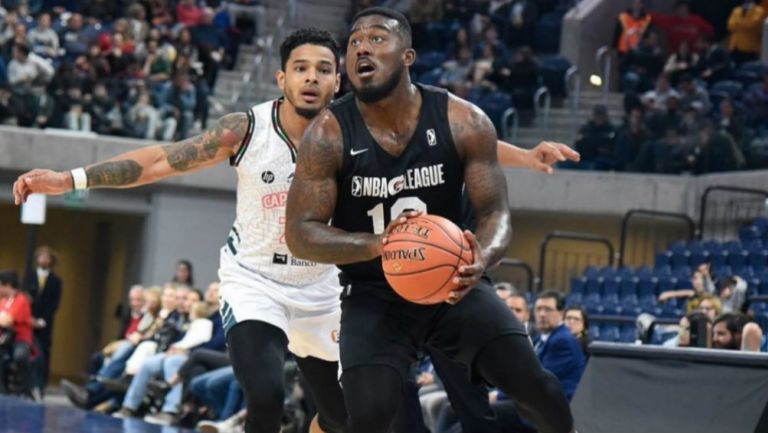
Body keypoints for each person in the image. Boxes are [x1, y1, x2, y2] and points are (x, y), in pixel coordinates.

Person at [13, 24, 578, 433]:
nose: (312, 78)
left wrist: (526, 157)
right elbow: (162, 160)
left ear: (339, 82)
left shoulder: (356, 126)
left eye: (324, 70)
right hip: (256, 280)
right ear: (282, 76)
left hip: (327, 286)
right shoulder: (245, 128)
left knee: (343, 418)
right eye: (301, 68)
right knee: (261, 395)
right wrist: (73, 178)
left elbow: (456, 136)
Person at [285, 8, 575, 433]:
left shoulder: (463, 119)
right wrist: (377, 244)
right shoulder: (328, 134)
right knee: (366, 417)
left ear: (408, 55)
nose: (362, 46)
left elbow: (495, 212)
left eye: (377, 38)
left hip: (454, 283)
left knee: (536, 387)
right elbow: (300, 232)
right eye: (354, 42)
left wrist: (485, 255)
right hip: (374, 294)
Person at [24, 246, 61, 393]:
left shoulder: (56, 281)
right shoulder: (29, 277)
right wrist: (29, 318)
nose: (43, 260)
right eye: (41, 257)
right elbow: (25, 298)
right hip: (29, 320)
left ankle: (41, 384)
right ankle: (28, 383)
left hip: (46, 323)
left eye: (47, 257)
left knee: (44, 352)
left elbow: (55, 302)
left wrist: (43, 320)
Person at [0, 270, 34, 397]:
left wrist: (3, 319)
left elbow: (7, 321)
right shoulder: (3, 301)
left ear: (8, 285)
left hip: (20, 339)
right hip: (5, 338)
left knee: (19, 356)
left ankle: (26, 388)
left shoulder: (21, 300)